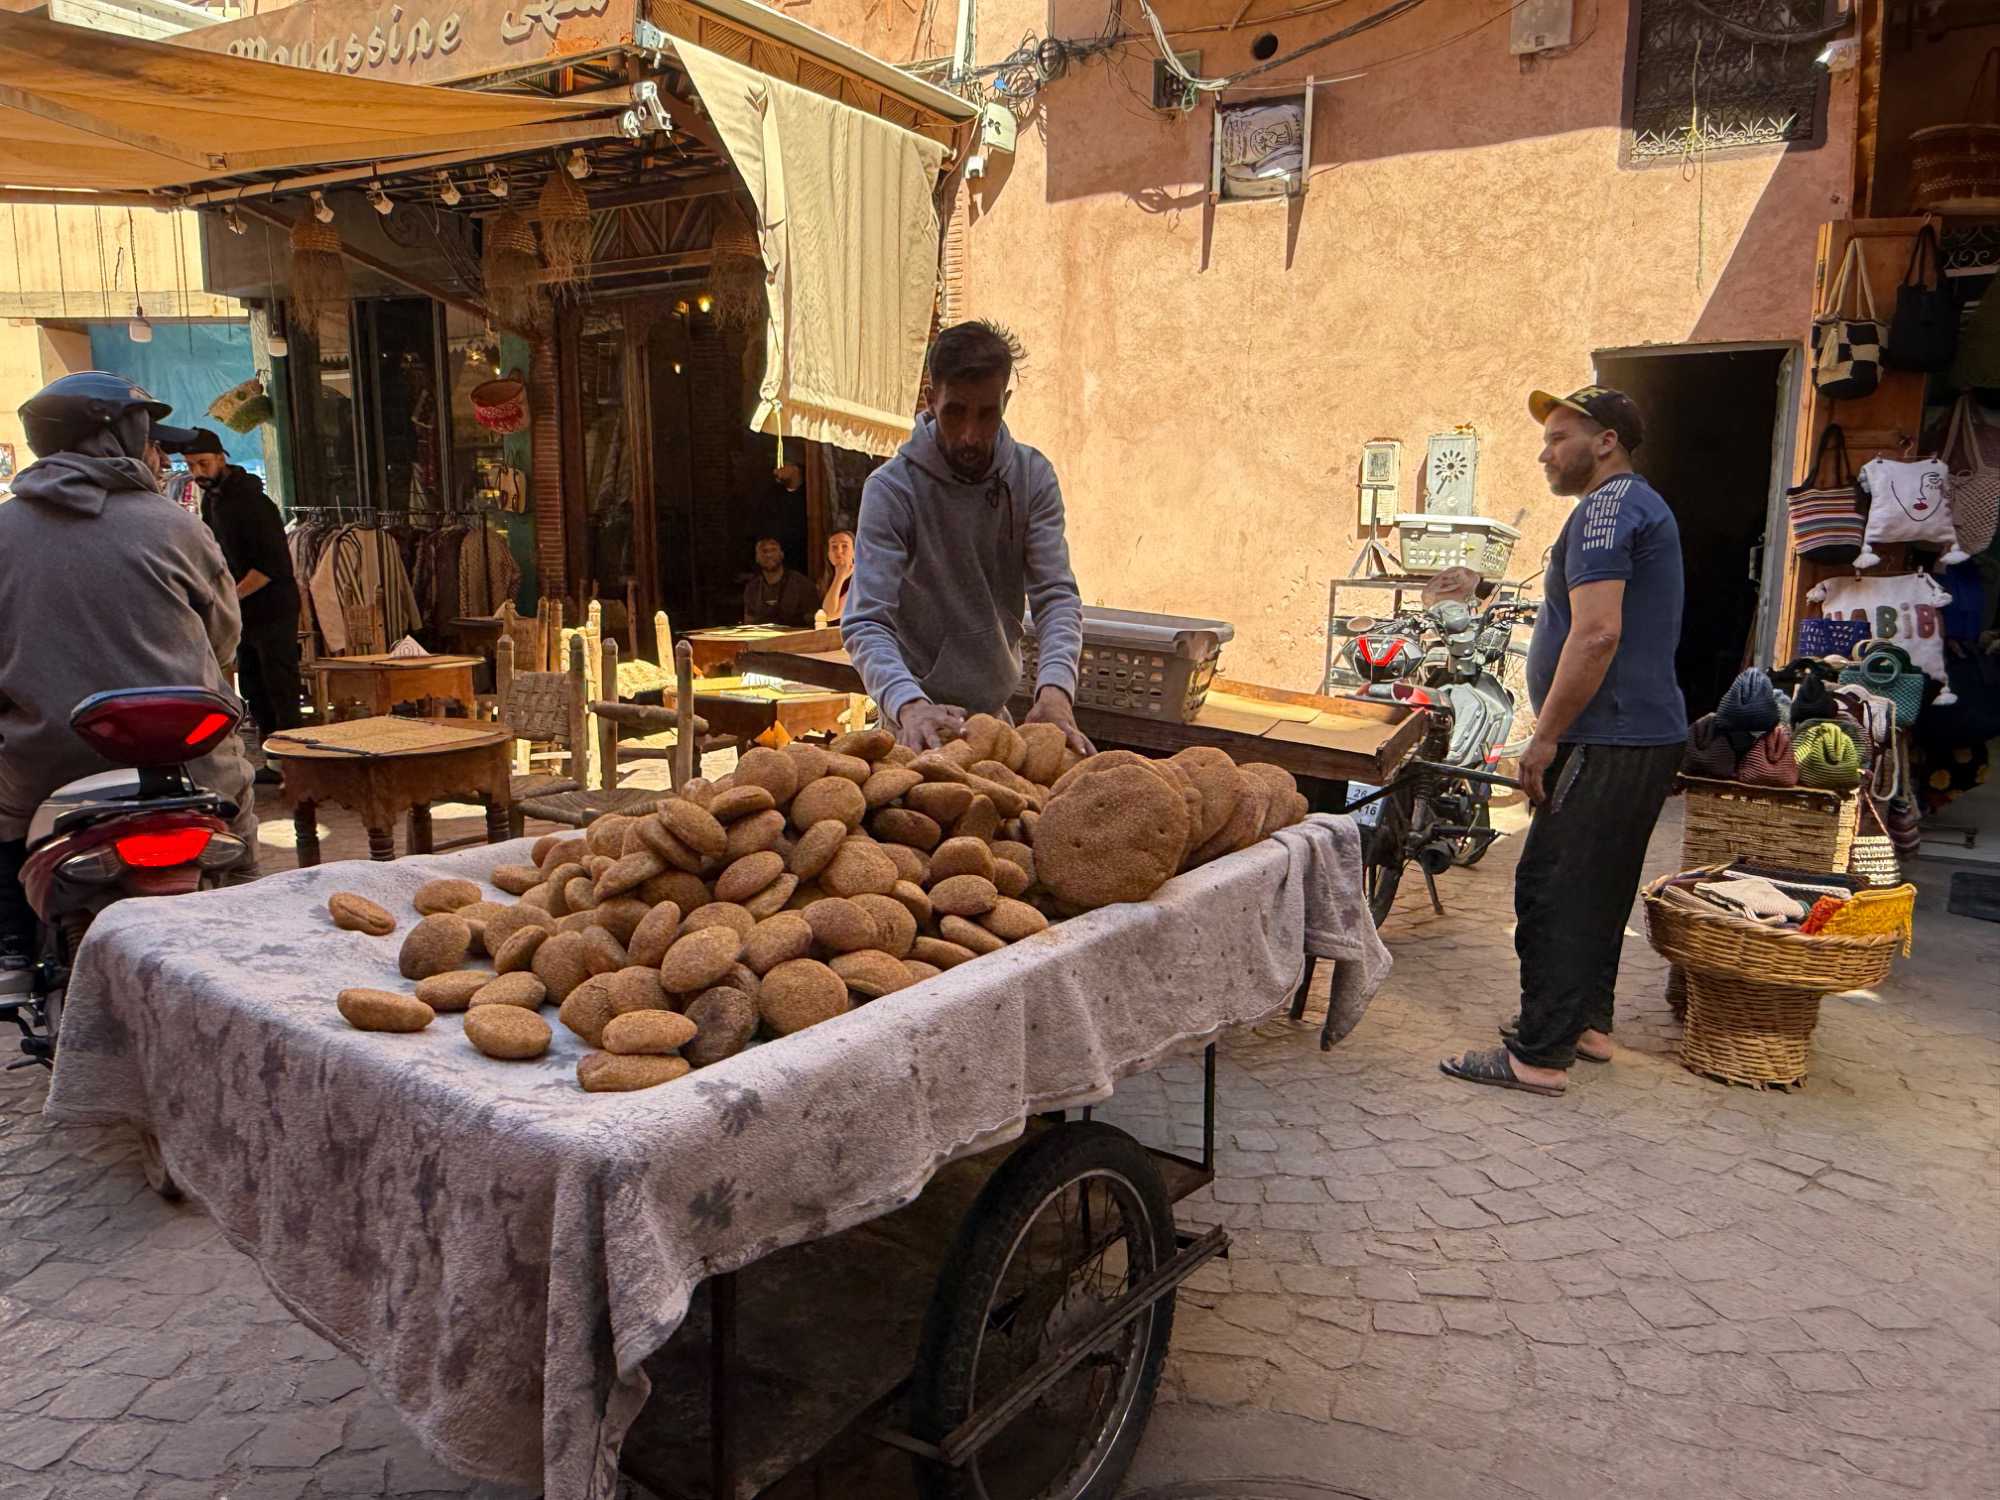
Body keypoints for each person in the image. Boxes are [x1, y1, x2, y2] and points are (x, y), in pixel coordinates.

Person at [1439, 386, 1686, 1098]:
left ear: (1605, 441)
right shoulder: (1635, 505)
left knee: (1552, 887)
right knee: (1601, 886)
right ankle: (1585, 1026)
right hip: (1641, 735)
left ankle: (1538, 1055)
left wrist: (1543, 738)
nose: (1545, 454)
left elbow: (1598, 632)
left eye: (1557, 438)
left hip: (1606, 736)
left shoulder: (1606, 508)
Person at [0, 373, 258, 962]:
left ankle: (13, 953)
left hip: (49, 765)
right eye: (151, 439)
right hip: (187, 763)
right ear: (113, 438)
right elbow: (224, 640)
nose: (160, 455)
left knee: (8, 824)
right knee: (242, 855)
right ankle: (251, 937)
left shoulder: (3, 530)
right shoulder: (178, 525)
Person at [842, 321, 1091, 754]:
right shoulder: (892, 491)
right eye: (955, 412)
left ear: (1005, 403)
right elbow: (866, 622)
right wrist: (908, 705)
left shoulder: (1032, 479)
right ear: (931, 400)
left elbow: (1056, 597)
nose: (970, 435)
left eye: (987, 414)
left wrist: (1056, 691)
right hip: (914, 721)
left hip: (996, 716)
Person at [181, 428, 301, 771]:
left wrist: (228, 598)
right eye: (191, 465)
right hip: (242, 608)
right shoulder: (212, 500)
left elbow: (270, 566)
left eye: (203, 463)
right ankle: (274, 759)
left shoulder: (254, 502)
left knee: (279, 684)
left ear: (221, 458)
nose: (198, 472)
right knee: (252, 683)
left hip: (272, 605)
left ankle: (294, 763)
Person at [741, 536, 819, 627]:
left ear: (782, 554)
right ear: (757, 558)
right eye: (764, 551)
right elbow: (749, 623)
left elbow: (814, 620)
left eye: (773, 550)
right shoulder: (752, 588)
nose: (769, 555)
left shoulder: (802, 584)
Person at [819, 529, 855, 623]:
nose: (839, 551)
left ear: (854, 552)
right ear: (828, 554)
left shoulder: (860, 577)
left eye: (845, 546)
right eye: (834, 547)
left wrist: (840, 577)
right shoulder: (827, 578)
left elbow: (830, 615)